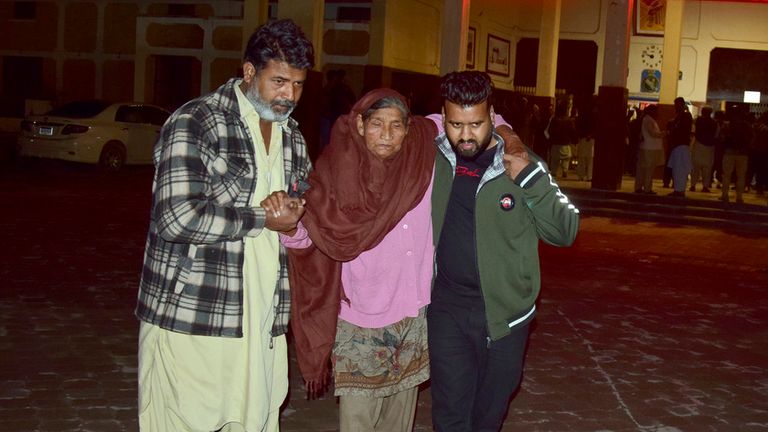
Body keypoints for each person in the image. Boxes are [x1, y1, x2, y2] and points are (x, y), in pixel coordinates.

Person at [135, 19, 314, 431]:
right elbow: (175, 217)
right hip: (196, 310)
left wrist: (291, 215)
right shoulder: (197, 122)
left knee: (254, 418)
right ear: (249, 72)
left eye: (299, 84)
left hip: (262, 313)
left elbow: (302, 203)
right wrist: (261, 217)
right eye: (280, 81)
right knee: (187, 419)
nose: (290, 95)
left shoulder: (293, 138)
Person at [427, 71, 580, 432]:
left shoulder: (523, 164)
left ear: (492, 116)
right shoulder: (432, 159)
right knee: (449, 411)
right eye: (456, 124)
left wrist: (531, 180)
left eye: (476, 124)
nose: (465, 135)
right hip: (446, 308)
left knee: (488, 415)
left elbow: (566, 230)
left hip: (506, 316)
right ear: (443, 117)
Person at [720, 107, 754, 204]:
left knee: (726, 175)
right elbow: (752, 138)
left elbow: (722, 138)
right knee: (741, 175)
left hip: (729, 152)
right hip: (742, 153)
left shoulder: (727, 125)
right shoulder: (747, 126)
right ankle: (739, 197)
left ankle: (725, 195)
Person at [634, 104, 665, 194]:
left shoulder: (646, 119)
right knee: (649, 170)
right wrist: (663, 133)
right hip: (650, 148)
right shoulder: (649, 120)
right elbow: (653, 134)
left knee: (642, 169)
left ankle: (639, 187)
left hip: (646, 147)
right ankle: (647, 188)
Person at [666, 97, 693, 197]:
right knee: (678, 169)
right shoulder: (681, 116)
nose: (675, 107)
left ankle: (679, 190)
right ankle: (678, 189)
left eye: (676, 104)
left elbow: (679, 130)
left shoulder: (684, 116)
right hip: (679, 145)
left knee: (680, 168)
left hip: (681, 145)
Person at [547, 98, 578, 179]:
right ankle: (565, 170)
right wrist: (574, 140)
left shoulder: (555, 119)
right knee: (566, 158)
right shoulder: (569, 120)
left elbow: (550, 130)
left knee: (554, 159)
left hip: (556, 142)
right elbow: (573, 131)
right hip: (565, 142)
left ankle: (553, 172)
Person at [690, 106, 717, 193]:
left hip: (698, 145)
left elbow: (693, 132)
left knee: (695, 168)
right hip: (710, 147)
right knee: (707, 169)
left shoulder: (698, 120)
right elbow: (716, 135)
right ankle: (705, 186)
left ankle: (693, 185)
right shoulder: (714, 122)